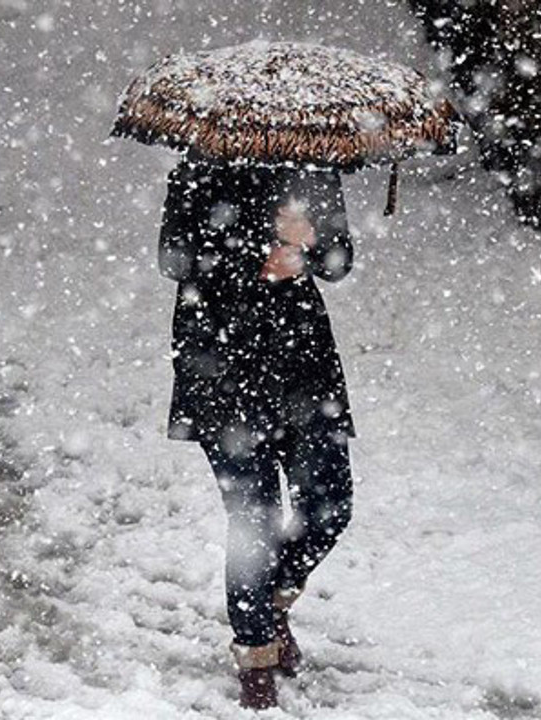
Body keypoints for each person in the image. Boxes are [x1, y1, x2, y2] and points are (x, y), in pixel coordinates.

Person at [157, 151, 356, 710]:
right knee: (255, 519)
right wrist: (259, 248)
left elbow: (339, 261)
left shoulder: (312, 162)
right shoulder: (200, 166)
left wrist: (310, 244)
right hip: (221, 364)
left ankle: (269, 603)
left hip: (303, 366)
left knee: (330, 504)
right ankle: (256, 657)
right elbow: (175, 259)